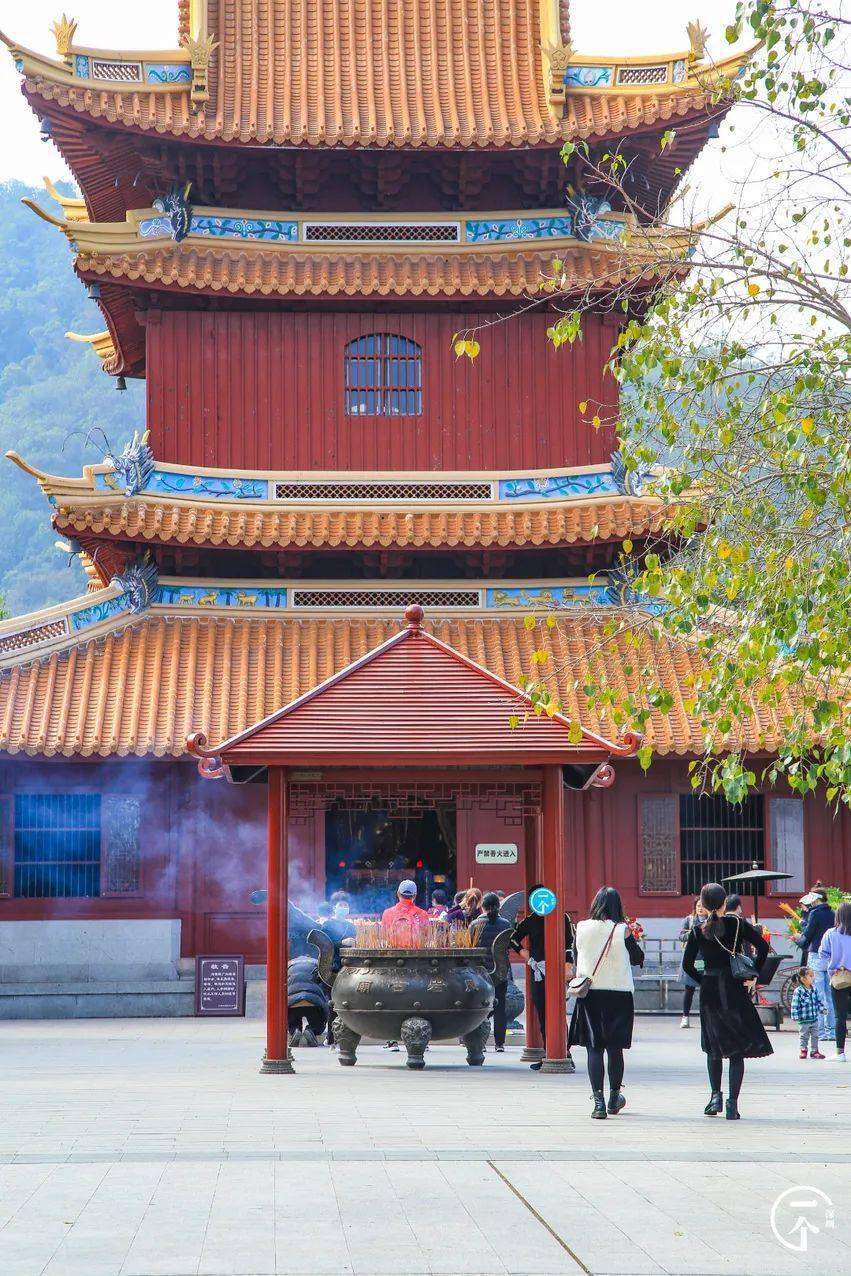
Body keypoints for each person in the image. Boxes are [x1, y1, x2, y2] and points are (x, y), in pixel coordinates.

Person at [682, 882, 772, 1119]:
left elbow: (687, 966)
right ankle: (733, 1104)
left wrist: (703, 980)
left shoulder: (697, 930)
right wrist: (754, 975)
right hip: (734, 988)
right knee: (736, 1049)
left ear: (703, 903)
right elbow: (763, 947)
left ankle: (715, 1097)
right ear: (724, 903)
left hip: (710, 990)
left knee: (713, 1046)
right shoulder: (738, 924)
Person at [568, 886, 645, 1118]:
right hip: (619, 994)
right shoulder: (622, 930)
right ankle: (614, 1097)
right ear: (617, 906)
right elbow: (638, 958)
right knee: (615, 1048)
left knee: (594, 1048)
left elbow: (576, 954)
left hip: (590, 993)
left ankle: (598, 1103)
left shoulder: (580, 927)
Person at [510, 884, 576, 1070]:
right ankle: (548, 1051)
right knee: (543, 1012)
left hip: (557, 969)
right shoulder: (529, 921)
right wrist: (525, 955)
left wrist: (568, 965)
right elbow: (513, 938)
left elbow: (570, 942)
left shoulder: (562, 917)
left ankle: (565, 1051)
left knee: (558, 1013)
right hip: (538, 971)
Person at [470, 892, 513, 1052]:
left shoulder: (475, 924)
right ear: (498, 906)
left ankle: (479, 1043)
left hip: (481, 971)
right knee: (499, 1006)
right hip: (500, 971)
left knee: (480, 1005)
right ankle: (499, 1044)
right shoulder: (506, 924)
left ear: (483, 907)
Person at [794, 886, 836, 1045]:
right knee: (829, 995)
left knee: (817, 995)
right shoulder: (832, 914)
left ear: (816, 899)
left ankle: (820, 1032)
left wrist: (797, 937)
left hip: (816, 956)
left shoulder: (815, 913)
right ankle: (831, 1030)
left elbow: (806, 938)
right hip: (830, 957)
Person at [818, 900, 851, 1063]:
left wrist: (833, 968)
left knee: (840, 1016)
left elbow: (822, 954)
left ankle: (840, 1053)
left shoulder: (830, 933)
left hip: (838, 979)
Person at [790, 966, 828, 1060]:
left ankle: (814, 1051)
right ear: (803, 979)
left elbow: (818, 1002)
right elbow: (795, 1005)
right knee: (804, 1036)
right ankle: (803, 1050)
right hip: (803, 1020)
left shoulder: (814, 989)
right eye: (810, 976)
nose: (813, 977)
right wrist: (795, 1016)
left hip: (814, 1018)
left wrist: (822, 1009)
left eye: (813, 975)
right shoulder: (798, 991)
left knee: (815, 1035)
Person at [678, 898, 704, 1028]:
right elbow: (681, 936)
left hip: (705, 958)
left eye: (702, 905)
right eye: (698, 905)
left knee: (706, 989)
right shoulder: (689, 920)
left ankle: (705, 1016)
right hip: (691, 958)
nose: (700, 908)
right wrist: (692, 934)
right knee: (689, 989)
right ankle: (685, 1017)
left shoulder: (711, 921)